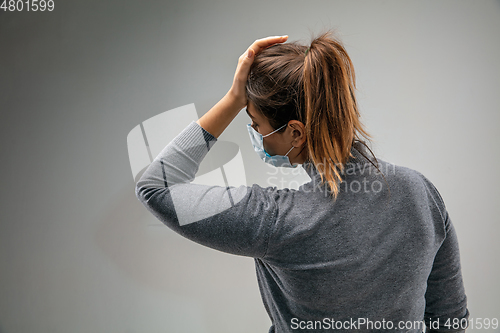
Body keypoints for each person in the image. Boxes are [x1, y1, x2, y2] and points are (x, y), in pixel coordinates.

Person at [135, 31, 469, 333]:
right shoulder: (420, 193)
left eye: (255, 123)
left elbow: (156, 187)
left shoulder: (276, 219)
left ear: (295, 132)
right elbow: (450, 318)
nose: (255, 134)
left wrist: (234, 98)